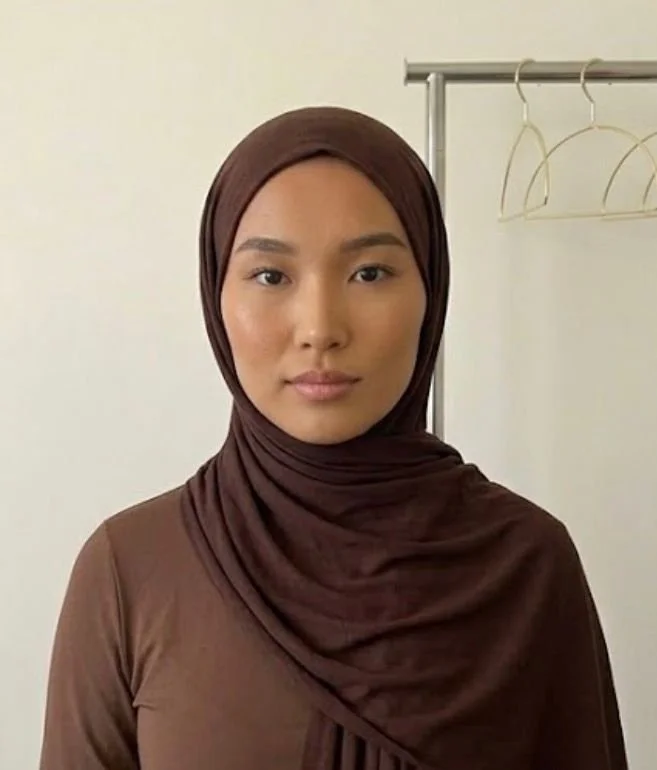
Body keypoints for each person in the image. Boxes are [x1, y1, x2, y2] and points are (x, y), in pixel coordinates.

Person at [39, 106, 628, 770]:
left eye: (369, 273)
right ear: (215, 294)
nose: (319, 327)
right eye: (271, 276)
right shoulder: (131, 569)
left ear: (429, 292)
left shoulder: (527, 564)